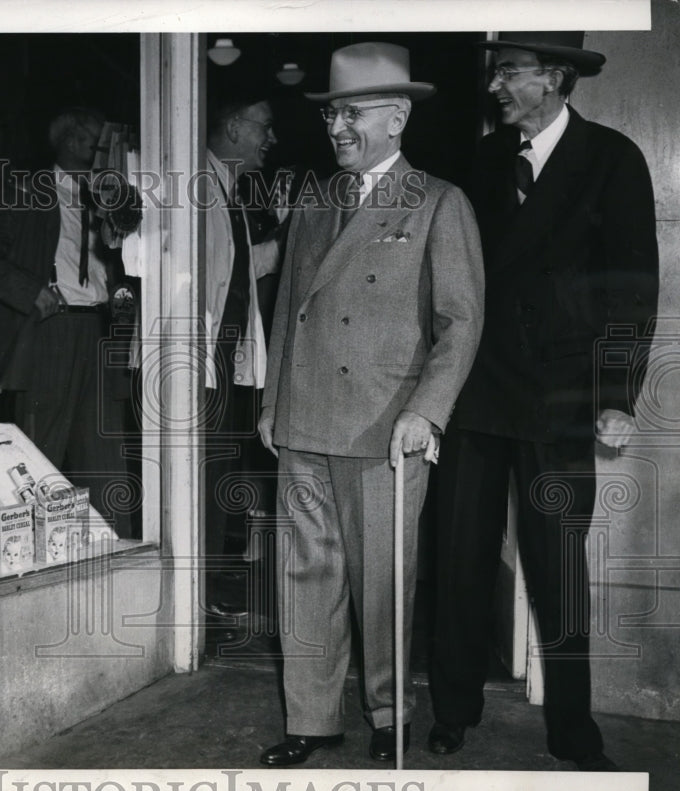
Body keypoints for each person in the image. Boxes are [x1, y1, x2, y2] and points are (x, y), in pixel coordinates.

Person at [428, 32, 659, 772]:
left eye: (511, 73)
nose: (496, 86)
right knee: (459, 560)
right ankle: (454, 709)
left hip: (562, 400)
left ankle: (572, 726)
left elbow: (631, 286)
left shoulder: (613, 159)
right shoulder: (485, 160)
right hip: (477, 391)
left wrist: (618, 393)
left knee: (557, 567)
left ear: (555, 79)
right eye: (498, 73)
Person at [257, 42, 484, 766]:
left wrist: (430, 410)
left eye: (353, 114)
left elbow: (461, 320)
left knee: (384, 585)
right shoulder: (316, 200)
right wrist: (271, 404)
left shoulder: (439, 202)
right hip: (304, 420)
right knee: (304, 578)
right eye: (332, 116)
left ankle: (390, 717)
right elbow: (288, 308)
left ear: (398, 116)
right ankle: (311, 719)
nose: (338, 129)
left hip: (385, 426)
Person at [0, 107, 132, 538]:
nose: (108, 152)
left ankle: (115, 553)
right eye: (99, 143)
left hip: (99, 333)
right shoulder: (27, 191)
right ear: (72, 142)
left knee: (107, 461)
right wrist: (29, 289)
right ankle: (32, 558)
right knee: (40, 457)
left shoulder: (111, 195)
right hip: (50, 334)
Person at [203, 87, 283, 615]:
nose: (270, 139)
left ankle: (203, 592)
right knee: (201, 474)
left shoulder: (227, 188)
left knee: (214, 474)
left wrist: (289, 237)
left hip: (223, 361)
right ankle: (192, 596)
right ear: (234, 128)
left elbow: (234, 272)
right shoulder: (196, 187)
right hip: (195, 362)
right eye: (263, 126)